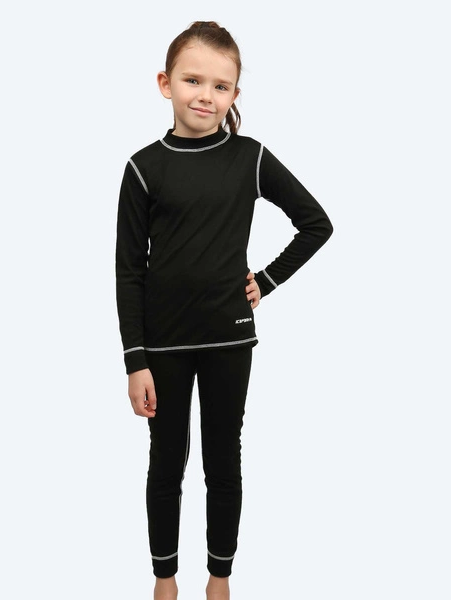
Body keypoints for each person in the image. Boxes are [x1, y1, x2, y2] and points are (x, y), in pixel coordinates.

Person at [115, 21, 333, 600]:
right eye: (193, 80)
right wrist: (135, 360)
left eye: (220, 85)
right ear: (165, 83)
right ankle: (165, 582)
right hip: (162, 345)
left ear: (235, 93)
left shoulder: (249, 158)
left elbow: (316, 224)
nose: (205, 95)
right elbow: (129, 270)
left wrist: (267, 280)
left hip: (229, 341)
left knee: (222, 464)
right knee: (166, 465)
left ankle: (219, 579)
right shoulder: (143, 168)